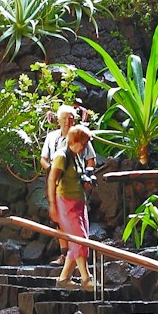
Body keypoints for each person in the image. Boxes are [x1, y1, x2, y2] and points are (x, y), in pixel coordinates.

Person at [45, 120, 97, 291]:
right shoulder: (62, 156)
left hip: (78, 202)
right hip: (65, 202)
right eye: (83, 143)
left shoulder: (76, 158)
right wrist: (52, 205)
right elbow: (52, 179)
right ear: (75, 141)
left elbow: (76, 177)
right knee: (78, 239)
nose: (84, 147)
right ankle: (86, 279)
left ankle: (64, 279)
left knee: (80, 240)